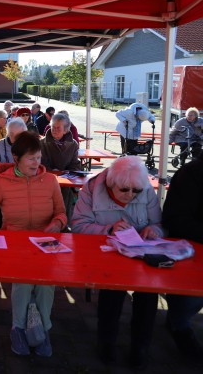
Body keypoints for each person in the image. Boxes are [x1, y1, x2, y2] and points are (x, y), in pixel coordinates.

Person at [0, 131, 66, 357]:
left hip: (45, 244)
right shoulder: (3, 182)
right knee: (23, 283)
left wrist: (57, 223)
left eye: (39, 157)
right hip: (15, 245)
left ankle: (43, 330)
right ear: (17, 159)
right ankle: (18, 328)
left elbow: (62, 213)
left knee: (46, 284)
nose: (37, 163)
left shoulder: (50, 181)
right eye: (31, 158)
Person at [71, 156, 163, 369]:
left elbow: (159, 223)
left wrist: (154, 230)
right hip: (107, 256)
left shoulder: (144, 187)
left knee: (149, 296)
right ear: (111, 184)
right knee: (111, 295)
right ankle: (106, 342)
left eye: (136, 191)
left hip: (141, 253)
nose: (130, 195)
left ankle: (141, 346)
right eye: (124, 190)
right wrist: (107, 229)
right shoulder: (92, 189)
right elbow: (77, 226)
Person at [161, 149, 203, 358]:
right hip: (188, 248)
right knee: (188, 296)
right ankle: (179, 324)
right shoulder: (191, 173)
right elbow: (174, 219)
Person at [41, 113, 81, 223]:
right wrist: (52, 171)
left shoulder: (73, 144)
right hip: (46, 182)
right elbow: (40, 163)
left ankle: (63, 225)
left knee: (63, 209)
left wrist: (70, 171)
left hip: (65, 184)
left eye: (58, 128)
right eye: (53, 127)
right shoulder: (42, 143)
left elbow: (75, 163)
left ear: (66, 130)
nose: (54, 130)